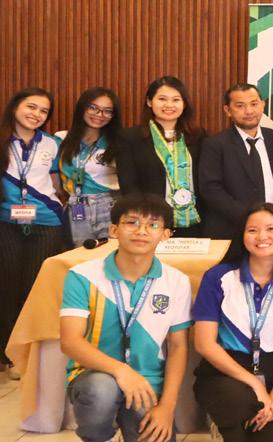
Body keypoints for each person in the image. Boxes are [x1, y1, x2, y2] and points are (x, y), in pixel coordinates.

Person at [59, 193, 192, 442]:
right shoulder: (82, 275)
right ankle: (100, 439)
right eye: (131, 222)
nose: (141, 231)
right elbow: (70, 342)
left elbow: (178, 347)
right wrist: (121, 371)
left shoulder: (177, 281)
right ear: (113, 230)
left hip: (147, 383)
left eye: (153, 225)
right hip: (94, 375)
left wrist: (167, 407)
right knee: (101, 391)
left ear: (166, 234)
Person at [191, 203, 273, 442]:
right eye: (252, 230)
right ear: (242, 235)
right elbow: (204, 344)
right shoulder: (218, 277)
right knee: (237, 401)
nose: (262, 237)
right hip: (224, 374)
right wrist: (255, 384)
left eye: (271, 229)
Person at [0, 87, 66, 375]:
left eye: (43, 111)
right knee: (6, 286)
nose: (36, 114)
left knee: (33, 288)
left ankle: (27, 354)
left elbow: (57, 183)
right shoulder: (3, 140)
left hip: (47, 222)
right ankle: (7, 354)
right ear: (15, 106)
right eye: (31, 106)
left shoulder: (52, 143)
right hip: (6, 222)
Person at [118, 76, 207, 237]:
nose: (169, 105)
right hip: (150, 223)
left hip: (195, 222)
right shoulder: (130, 137)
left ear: (184, 104)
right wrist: (145, 219)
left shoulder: (199, 136)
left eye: (176, 100)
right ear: (149, 101)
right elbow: (128, 185)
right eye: (162, 99)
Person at [199, 84, 273, 240]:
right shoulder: (215, 144)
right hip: (231, 229)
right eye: (240, 106)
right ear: (227, 110)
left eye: (254, 104)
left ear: (263, 105)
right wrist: (250, 217)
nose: (249, 111)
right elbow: (211, 189)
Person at [58, 87, 122, 246]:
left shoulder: (119, 142)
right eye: (93, 108)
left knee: (110, 252)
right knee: (80, 253)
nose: (99, 114)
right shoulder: (61, 139)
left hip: (108, 204)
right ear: (82, 107)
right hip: (76, 205)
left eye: (107, 111)